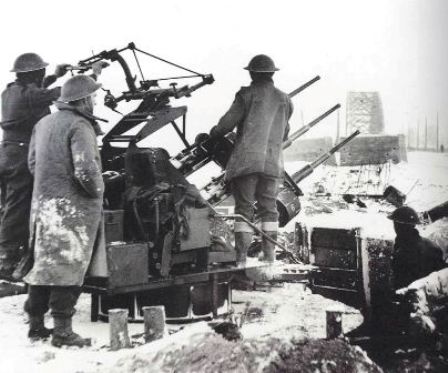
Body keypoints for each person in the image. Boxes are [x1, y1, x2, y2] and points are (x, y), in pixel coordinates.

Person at [23, 73, 105, 347]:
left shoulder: (43, 123)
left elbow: (33, 164)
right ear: (82, 100)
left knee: (43, 266)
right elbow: (86, 171)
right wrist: (99, 192)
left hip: (43, 207)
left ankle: (36, 325)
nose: (94, 100)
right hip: (71, 210)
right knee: (68, 268)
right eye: (92, 96)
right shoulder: (80, 126)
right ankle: (62, 331)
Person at [209, 54, 293, 267]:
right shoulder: (285, 99)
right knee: (269, 209)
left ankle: (241, 258)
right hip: (272, 163)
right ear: (272, 73)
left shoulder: (246, 95)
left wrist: (214, 134)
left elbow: (227, 124)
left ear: (252, 73)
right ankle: (269, 256)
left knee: (244, 209)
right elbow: (285, 133)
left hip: (247, 162)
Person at [0, 53, 70, 280]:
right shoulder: (29, 95)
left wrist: (55, 75)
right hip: (21, 158)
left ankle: (11, 256)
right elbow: (55, 94)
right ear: (33, 75)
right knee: (18, 207)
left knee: (12, 204)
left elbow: (37, 93)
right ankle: (7, 260)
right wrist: (91, 75)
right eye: (40, 73)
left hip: (9, 155)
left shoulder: (11, 91)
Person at [389, 205, 445, 290]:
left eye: (396, 224)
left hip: (414, 295)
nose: (395, 228)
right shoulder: (430, 245)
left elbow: (402, 281)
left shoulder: (406, 251)